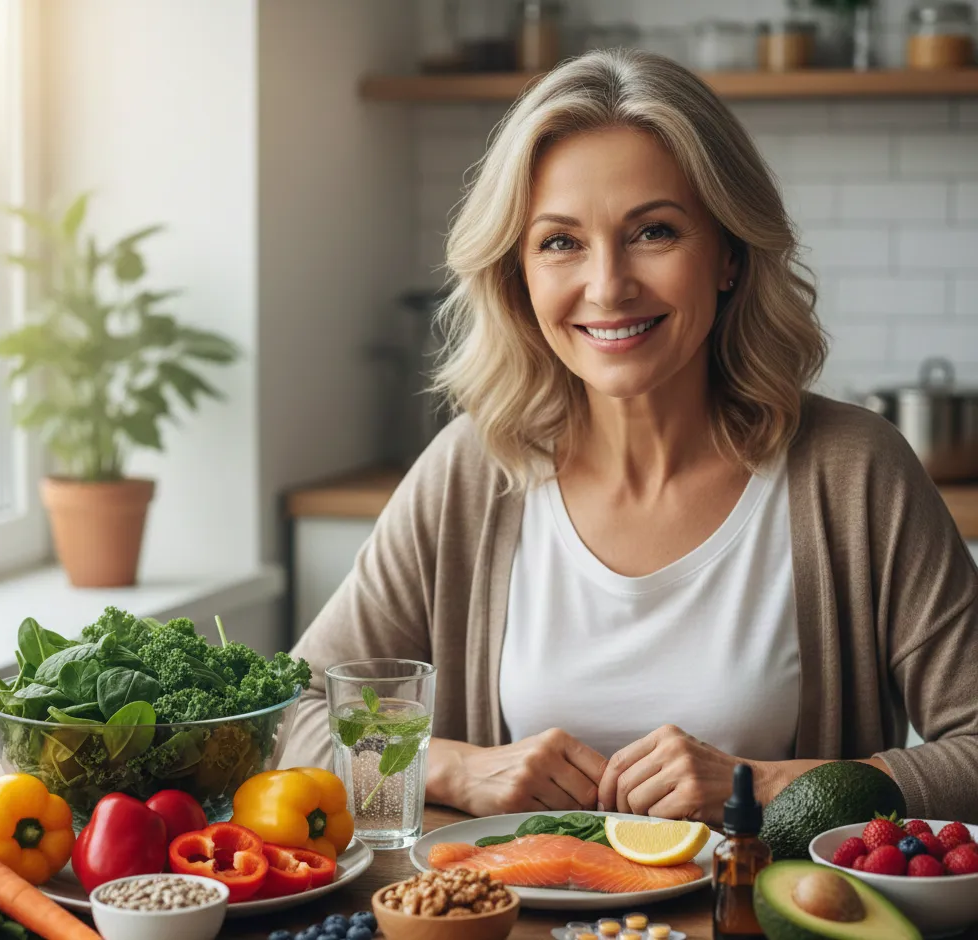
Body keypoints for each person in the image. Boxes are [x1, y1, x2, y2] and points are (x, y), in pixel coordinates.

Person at [283, 50, 978, 826]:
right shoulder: (472, 472)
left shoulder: (853, 473)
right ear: (520, 275)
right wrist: (457, 770)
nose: (608, 285)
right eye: (560, 242)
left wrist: (770, 790)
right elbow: (285, 720)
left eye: (654, 231)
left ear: (728, 256)